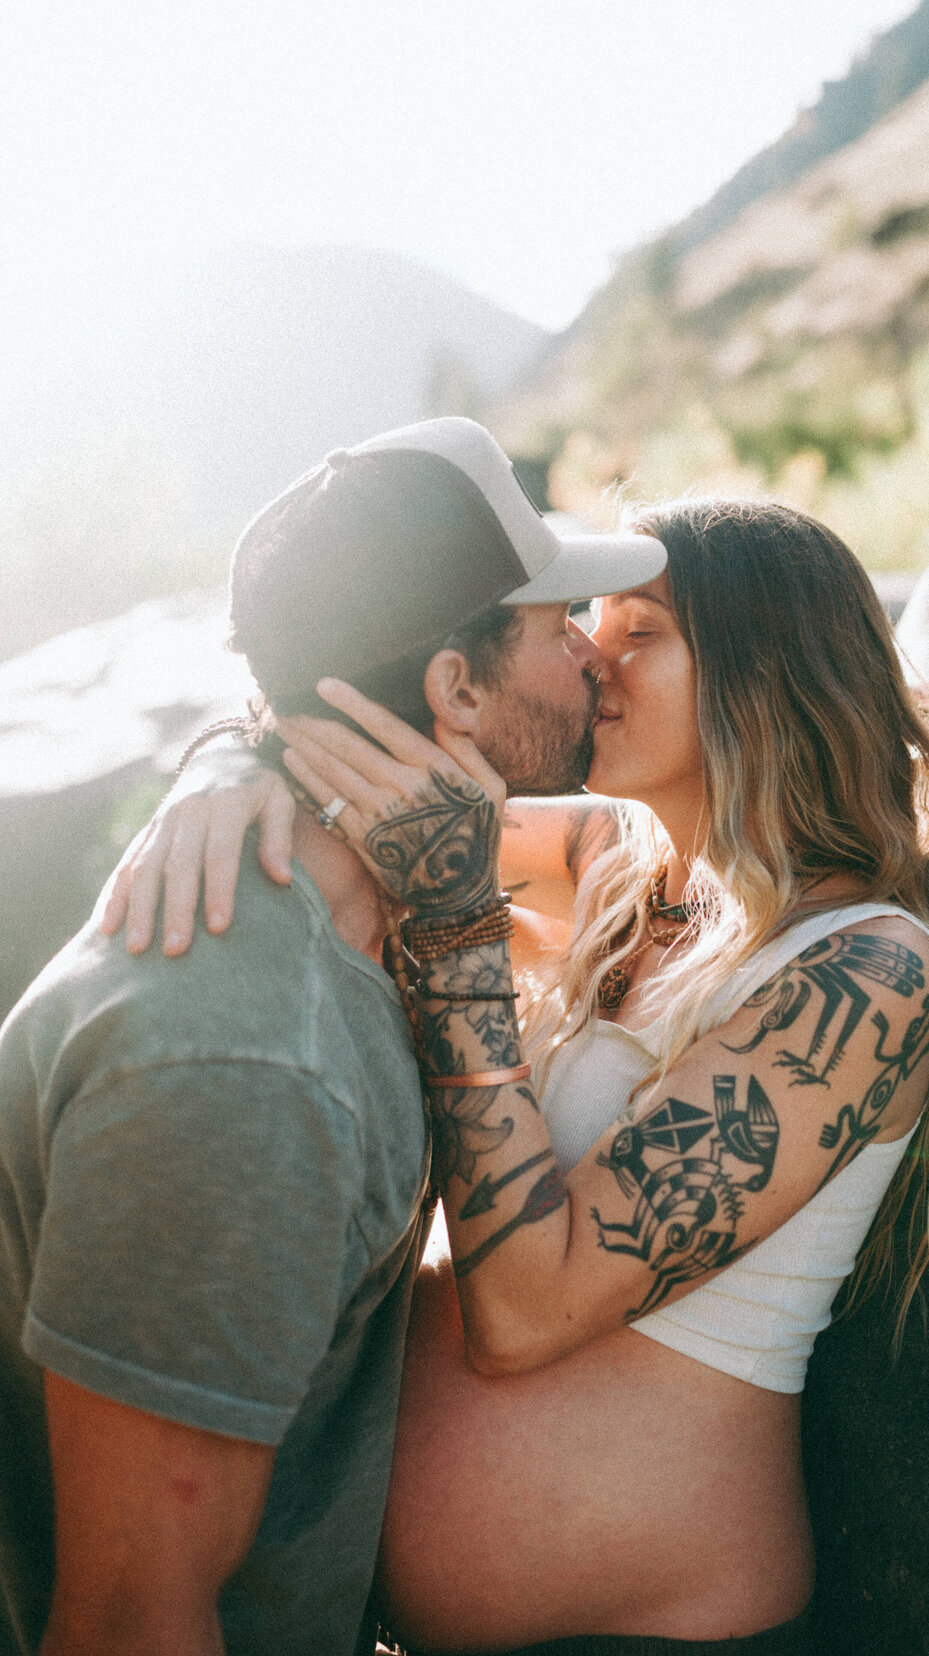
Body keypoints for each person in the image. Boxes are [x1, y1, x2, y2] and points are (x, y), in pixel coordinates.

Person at [111, 497, 929, 1654]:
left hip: (657, 1636)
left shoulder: (866, 971)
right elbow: (354, 783)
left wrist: (462, 926)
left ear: (765, 666)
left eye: (640, 633)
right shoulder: (621, 860)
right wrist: (221, 767)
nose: (588, 657)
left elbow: (527, 1311)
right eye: (582, 623)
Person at [0, 416, 667, 1656]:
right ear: (454, 691)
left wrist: (227, 756)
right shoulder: (245, 1067)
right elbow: (132, 1619)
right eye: (551, 627)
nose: (590, 657)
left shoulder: (363, 916)